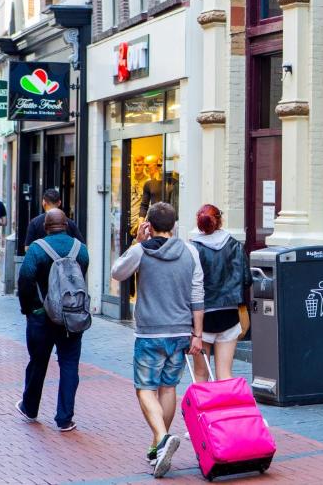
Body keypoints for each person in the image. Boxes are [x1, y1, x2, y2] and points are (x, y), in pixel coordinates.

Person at [112, 202, 203, 479]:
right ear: (174, 225)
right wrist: (197, 334)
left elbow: (117, 273)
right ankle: (157, 446)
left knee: (144, 389)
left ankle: (162, 439)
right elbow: (197, 294)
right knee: (168, 388)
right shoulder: (190, 251)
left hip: (150, 332)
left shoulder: (141, 250)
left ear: (148, 225)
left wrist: (135, 243)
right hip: (180, 333)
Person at [15, 209, 89, 432]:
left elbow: (25, 279)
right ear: (66, 225)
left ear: (46, 227)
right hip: (71, 317)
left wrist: (30, 310)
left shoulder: (37, 249)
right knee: (69, 364)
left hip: (42, 317)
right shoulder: (80, 249)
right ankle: (64, 418)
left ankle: (30, 407)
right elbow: (81, 277)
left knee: (38, 362)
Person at [189, 204, 251, 382]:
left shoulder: (193, 248)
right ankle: (224, 409)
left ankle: (202, 410)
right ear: (220, 220)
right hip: (229, 315)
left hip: (203, 317)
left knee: (201, 374)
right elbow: (246, 279)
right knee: (225, 375)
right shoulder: (235, 246)